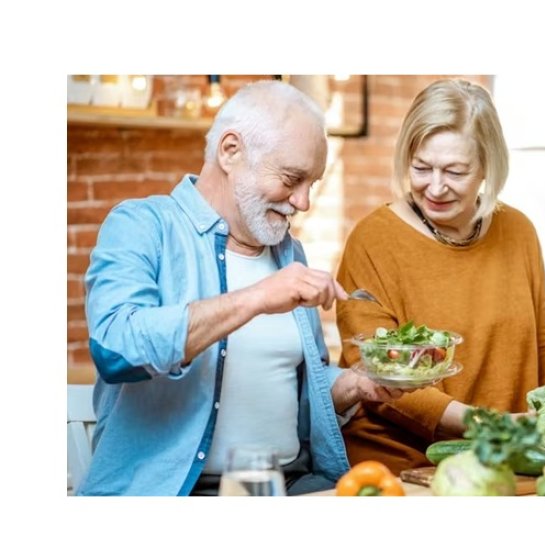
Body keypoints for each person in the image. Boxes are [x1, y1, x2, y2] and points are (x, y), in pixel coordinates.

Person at [78, 80, 403, 496]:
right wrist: (255, 299)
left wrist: (355, 386)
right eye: (291, 178)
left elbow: (290, 393)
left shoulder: (289, 253)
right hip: (176, 495)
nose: (302, 202)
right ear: (230, 151)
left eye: (313, 184)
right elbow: (116, 348)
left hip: (292, 487)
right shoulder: (142, 226)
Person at [335, 79, 545, 474]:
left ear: (487, 166)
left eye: (455, 171)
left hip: (503, 460)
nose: (435, 187)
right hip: (402, 466)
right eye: (421, 167)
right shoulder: (373, 240)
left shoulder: (518, 231)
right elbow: (376, 376)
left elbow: (540, 346)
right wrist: (488, 425)